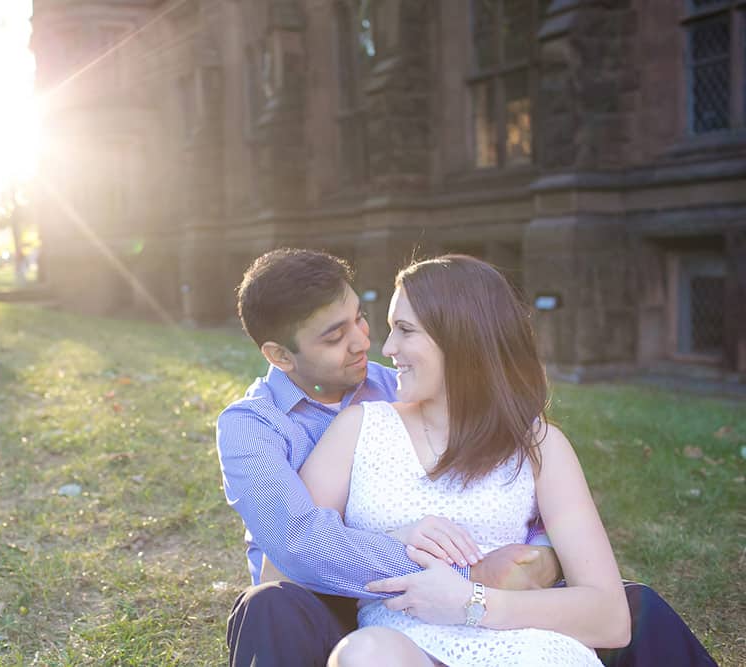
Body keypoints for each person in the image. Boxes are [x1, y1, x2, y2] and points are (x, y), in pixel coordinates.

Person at [217, 248, 716, 667]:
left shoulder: (402, 389)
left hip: (505, 617)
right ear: (281, 356)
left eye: (367, 321)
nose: (373, 345)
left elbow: (528, 507)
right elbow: (294, 553)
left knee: (637, 606)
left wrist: (536, 559)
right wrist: (467, 577)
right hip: (329, 605)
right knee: (269, 608)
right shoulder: (258, 426)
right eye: (334, 336)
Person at [300, 254, 619, 665]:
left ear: (461, 337)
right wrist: (391, 543)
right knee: (365, 654)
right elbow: (290, 562)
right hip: (402, 648)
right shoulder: (358, 428)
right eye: (390, 330)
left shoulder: (538, 445)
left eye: (405, 330)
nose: (388, 348)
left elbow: (610, 615)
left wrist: (474, 602)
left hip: (526, 647)